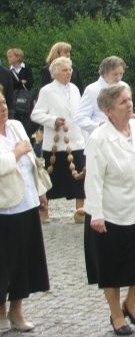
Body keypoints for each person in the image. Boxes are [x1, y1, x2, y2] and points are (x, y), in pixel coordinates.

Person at [83, 84, 135, 336]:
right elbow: (93, 179)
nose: (130, 105)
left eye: (130, 100)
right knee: (112, 268)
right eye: (123, 102)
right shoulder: (99, 138)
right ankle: (117, 315)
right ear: (108, 110)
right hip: (109, 211)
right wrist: (96, 214)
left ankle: (130, 303)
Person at [0, 93, 50, 332]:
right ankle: (0, 312)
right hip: (4, 207)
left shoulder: (16, 126)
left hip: (27, 202)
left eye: (2, 102)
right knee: (4, 263)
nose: (2, 108)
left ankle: (16, 310)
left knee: (25, 261)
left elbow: (32, 159)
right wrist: (15, 153)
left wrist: (40, 191)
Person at [30, 57, 86, 224]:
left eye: (70, 69)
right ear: (54, 73)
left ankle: (80, 211)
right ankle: (44, 212)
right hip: (55, 143)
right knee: (49, 179)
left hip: (75, 140)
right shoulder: (47, 91)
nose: (68, 73)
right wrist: (53, 120)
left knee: (78, 179)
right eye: (64, 70)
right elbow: (36, 114)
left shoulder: (75, 89)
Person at [74, 56, 126, 142]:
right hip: (100, 141)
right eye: (115, 74)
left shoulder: (124, 87)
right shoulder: (92, 90)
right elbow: (80, 118)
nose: (119, 78)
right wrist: (98, 125)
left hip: (121, 139)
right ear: (105, 73)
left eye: (121, 74)